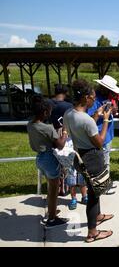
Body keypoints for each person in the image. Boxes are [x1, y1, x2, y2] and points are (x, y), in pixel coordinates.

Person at [64, 79, 114, 243]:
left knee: (96, 189)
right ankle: (92, 232)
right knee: (93, 194)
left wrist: (98, 114)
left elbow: (82, 126)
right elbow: (100, 141)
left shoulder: (69, 114)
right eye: (92, 97)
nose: (94, 100)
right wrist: (105, 120)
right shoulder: (86, 120)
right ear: (86, 98)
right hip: (92, 158)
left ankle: (98, 216)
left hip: (79, 156)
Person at [27, 95, 68, 229]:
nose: (50, 113)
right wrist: (65, 133)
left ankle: (52, 210)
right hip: (50, 159)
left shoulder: (30, 124)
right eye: (49, 111)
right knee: (53, 190)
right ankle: (52, 219)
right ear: (45, 112)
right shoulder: (48, 128)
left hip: (40, 159)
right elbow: (60, 145)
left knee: (51, 187)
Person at [50, 84, 88, 209]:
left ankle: (84, 195)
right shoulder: (68, 112)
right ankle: (73, 198)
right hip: (69, 146)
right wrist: (65, 133)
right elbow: (64, 128)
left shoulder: (80, 113)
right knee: (71, 174)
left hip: (80, 148)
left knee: (82, 173)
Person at [87, 75, 119, 191]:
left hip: (108, 134)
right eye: (109, 89)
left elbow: (110, 112)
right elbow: (91, 117)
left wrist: (113, 110)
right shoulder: (95, 100)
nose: (111, 92)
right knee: (102, 162)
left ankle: (106, 182)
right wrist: (102, 114)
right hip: (100, 134)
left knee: (106, 160)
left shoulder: (107, 98)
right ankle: (104, 186)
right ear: (103, 87)